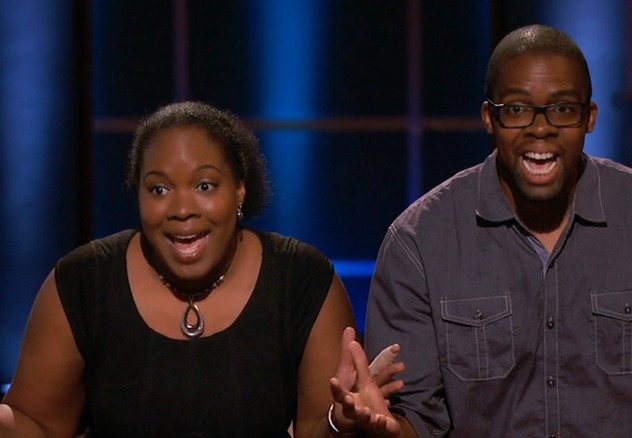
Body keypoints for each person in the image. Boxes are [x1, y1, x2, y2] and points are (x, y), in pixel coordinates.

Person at [363, 24, 632, 437]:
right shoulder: (418, 242)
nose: (540, 128)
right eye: (517, 109)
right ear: (489, 118)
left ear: (589, 118)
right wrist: (381, 427)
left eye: (562, 109)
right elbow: (414, 414)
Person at [0, 101, 401, 437]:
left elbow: (320, 427)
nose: (182, 209)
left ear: (239, 190)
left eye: (205, 186)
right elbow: (36, 424)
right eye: (159, 189)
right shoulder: (83, 282)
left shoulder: (303, 281)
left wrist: (340, 421)